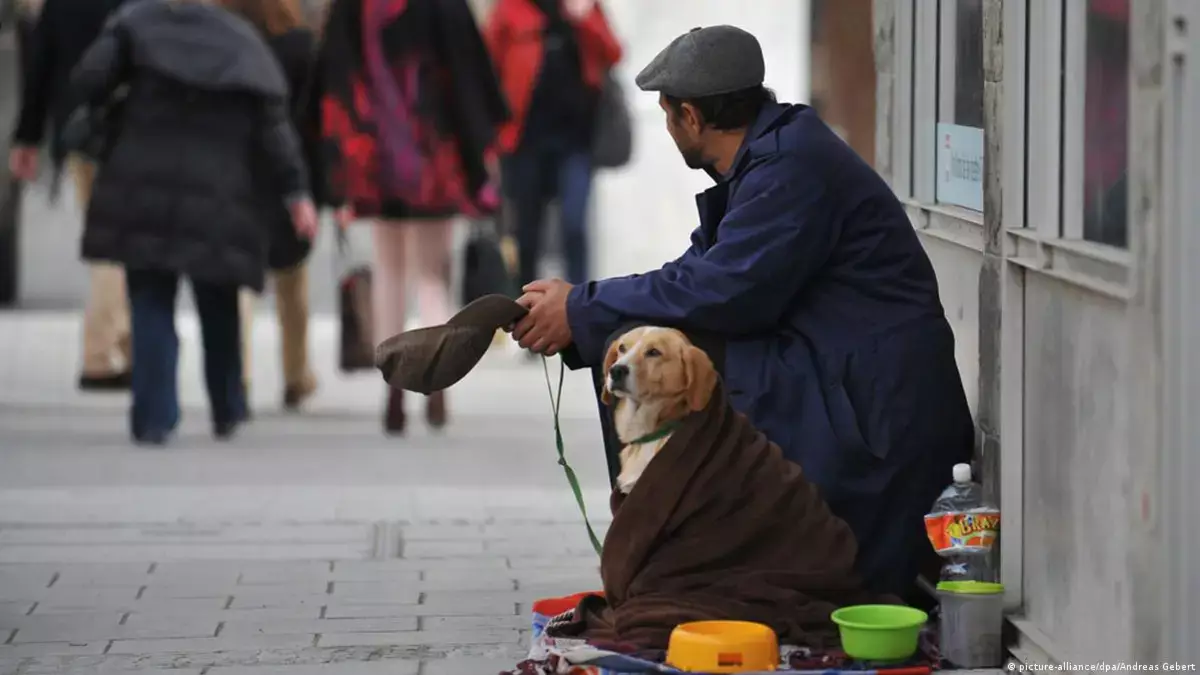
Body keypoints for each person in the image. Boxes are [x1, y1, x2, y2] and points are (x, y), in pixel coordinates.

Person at [511, 25, 975, 600]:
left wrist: (582, 308)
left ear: (690, 117)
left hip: (876, 420)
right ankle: (666, 559)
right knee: (639, 346)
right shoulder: (770, 158)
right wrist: (580, 307)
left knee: (648, 361)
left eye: (667, 115)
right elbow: (696, 275)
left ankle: (662, 563)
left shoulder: (791, 166)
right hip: (840, 379)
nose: (669, 129)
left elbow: (722, 292)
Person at [66, 0, 318, 445]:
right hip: (220, 191)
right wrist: (296, 192)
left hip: (143, 182)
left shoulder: (136, 24)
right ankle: (227, 405)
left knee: (150, 300)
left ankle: (154, 416)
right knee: (218, 301)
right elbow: (273, 127)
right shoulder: (243, 43)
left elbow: (87, 79)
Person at [315, 0, 509, 435]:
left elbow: (334, 77)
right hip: (434, 157)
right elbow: (470, 75)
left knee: (389, 270)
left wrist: (334, 163)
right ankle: (436, 382)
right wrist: (480, 154)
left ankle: (394, 390)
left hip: (376, 158)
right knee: (432, 274)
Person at [7, 0, 132, 392]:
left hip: (81, 130)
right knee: (127, 242)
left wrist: (27, 136)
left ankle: (114, 347)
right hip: (134, 130)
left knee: (105, 238)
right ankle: (107, 350)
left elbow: (40, 65)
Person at [483, 0, 621, 289]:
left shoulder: (583, 6)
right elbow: (486, 67)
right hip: (524, 143)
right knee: (526, 234)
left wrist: (585, 19)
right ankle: (524, 303)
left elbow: (613, 53)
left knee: (574, 225)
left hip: (575, 142)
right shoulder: (509, 8)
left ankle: (582, 299)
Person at [227, 0, 322, 412]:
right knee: (292, 277)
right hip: (290, 173)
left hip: (234, 173)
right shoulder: (300, 45)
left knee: (237, 283)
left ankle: (238, 374)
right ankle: (296, 373)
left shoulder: (223, 40)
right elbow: (316, 116)